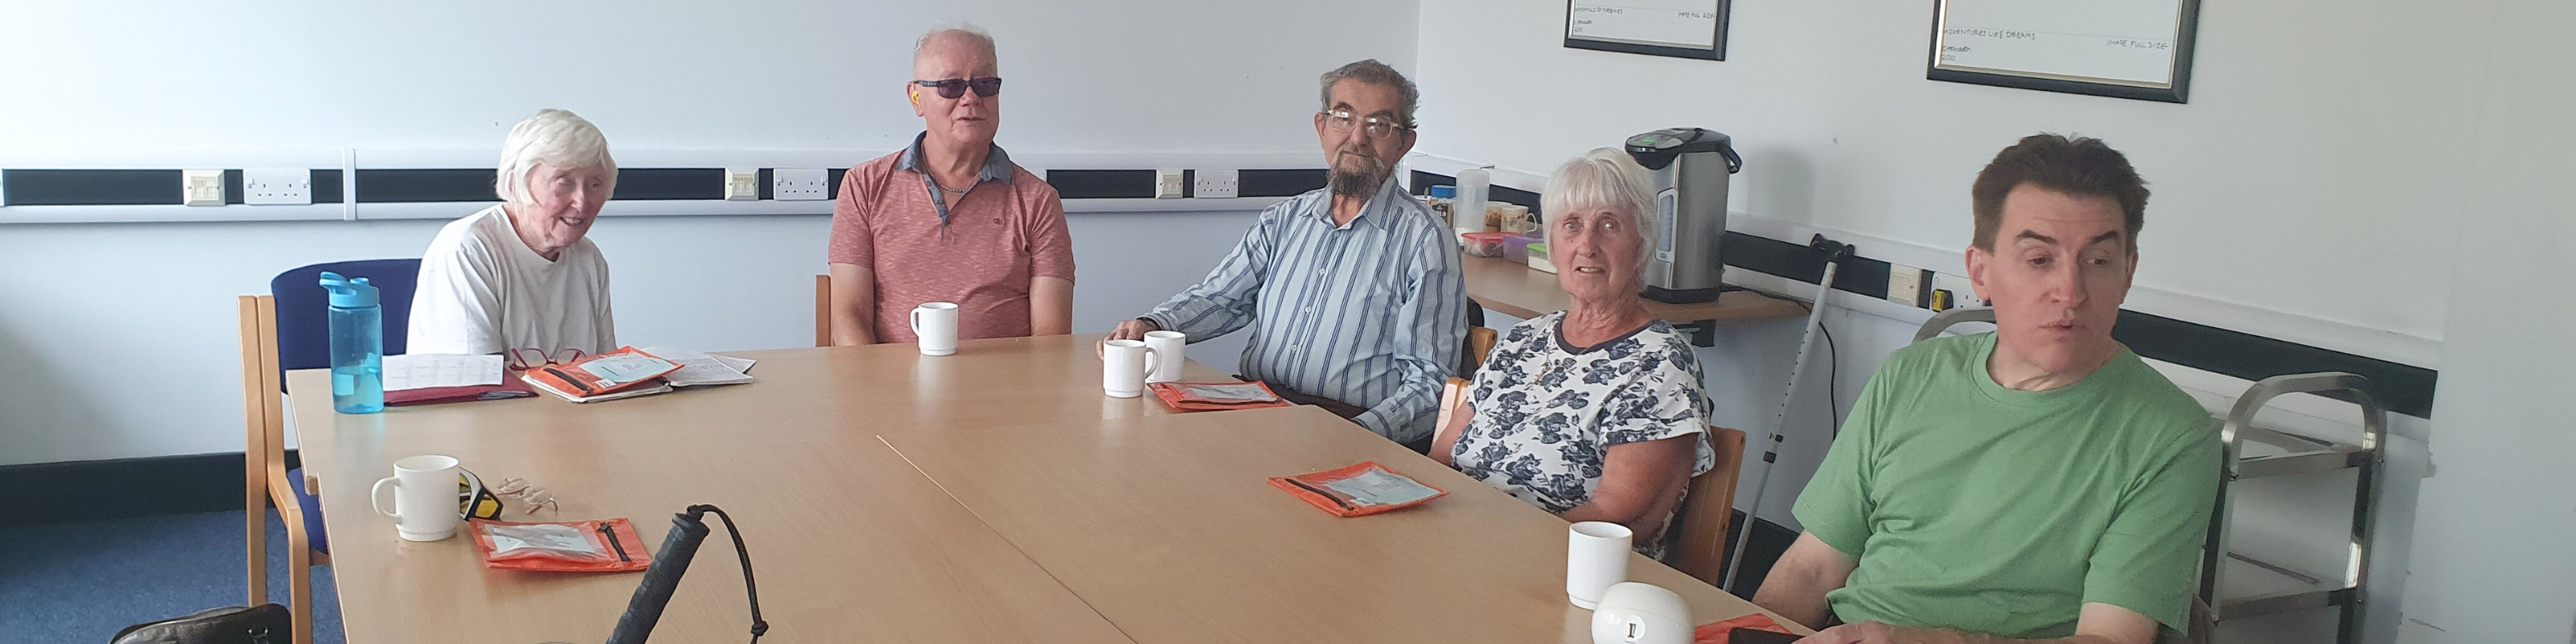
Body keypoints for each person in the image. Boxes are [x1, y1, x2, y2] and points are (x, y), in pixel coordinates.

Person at [1753, 134, 2222, 644]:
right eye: (2040, 260)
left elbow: (2110, 640)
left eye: (2098, 261)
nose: (2070, 292)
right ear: (1981, 272)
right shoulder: (1910, 376)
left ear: (2128, 272)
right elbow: (1813, 567)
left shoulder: (2172, 435)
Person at [1103, 59, 1466, 448]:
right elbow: (1222, 299)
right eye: (1343, 116)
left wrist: (1360, 435)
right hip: (1255, 407)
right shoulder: (1285, 218)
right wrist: (1153, 322)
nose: (1358, 137)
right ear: (1322, 127)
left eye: (1378, 125)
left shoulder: (1425, 240)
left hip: (1346, 426)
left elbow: (1429, 383)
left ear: (1404, 143)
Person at [1429, 149, 1713, 557]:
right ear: (1552, 244)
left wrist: (1486, 550)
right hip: (1458, 546)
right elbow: (1441, 459)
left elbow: (1615, 516)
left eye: (1609, 225)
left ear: (1641, 244)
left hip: (1558, 570)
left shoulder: (1660, 364)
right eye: (1572, 225)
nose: (1587, 245)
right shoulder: (1525, 338)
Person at [827, 24, 1074, 346]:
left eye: (985, 84)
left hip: (1003, 391)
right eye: (951, 86)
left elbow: (1051, 340)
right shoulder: (864, 186)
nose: (971, 98)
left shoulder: (1037, 200)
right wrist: (877, 392)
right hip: (890, 389)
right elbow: (849, 319)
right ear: (916, 98)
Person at [409, 108, 618, 357]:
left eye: (595, 184)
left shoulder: (589, 258)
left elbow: (605, 372)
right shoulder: (469, 249)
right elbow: (478, 386)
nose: (582, 203)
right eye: (564, 183)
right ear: (515, 183)